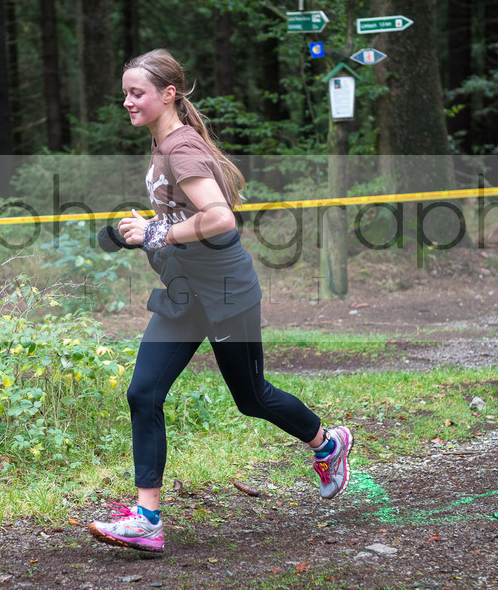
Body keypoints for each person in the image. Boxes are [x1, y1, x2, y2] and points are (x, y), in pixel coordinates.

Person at [88, 49, 353, 553]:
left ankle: (328, 444)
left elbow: (220, 218)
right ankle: (147, 519)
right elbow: (178, 219)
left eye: (136, 93)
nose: (127, 101)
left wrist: (158, 231)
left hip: (227, 295)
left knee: (251, 397)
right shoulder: (164, 142)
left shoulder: (181, 149)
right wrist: (139, 233)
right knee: (143, 394)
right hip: (186, 295)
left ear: (168, 94)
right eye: (125, 92)